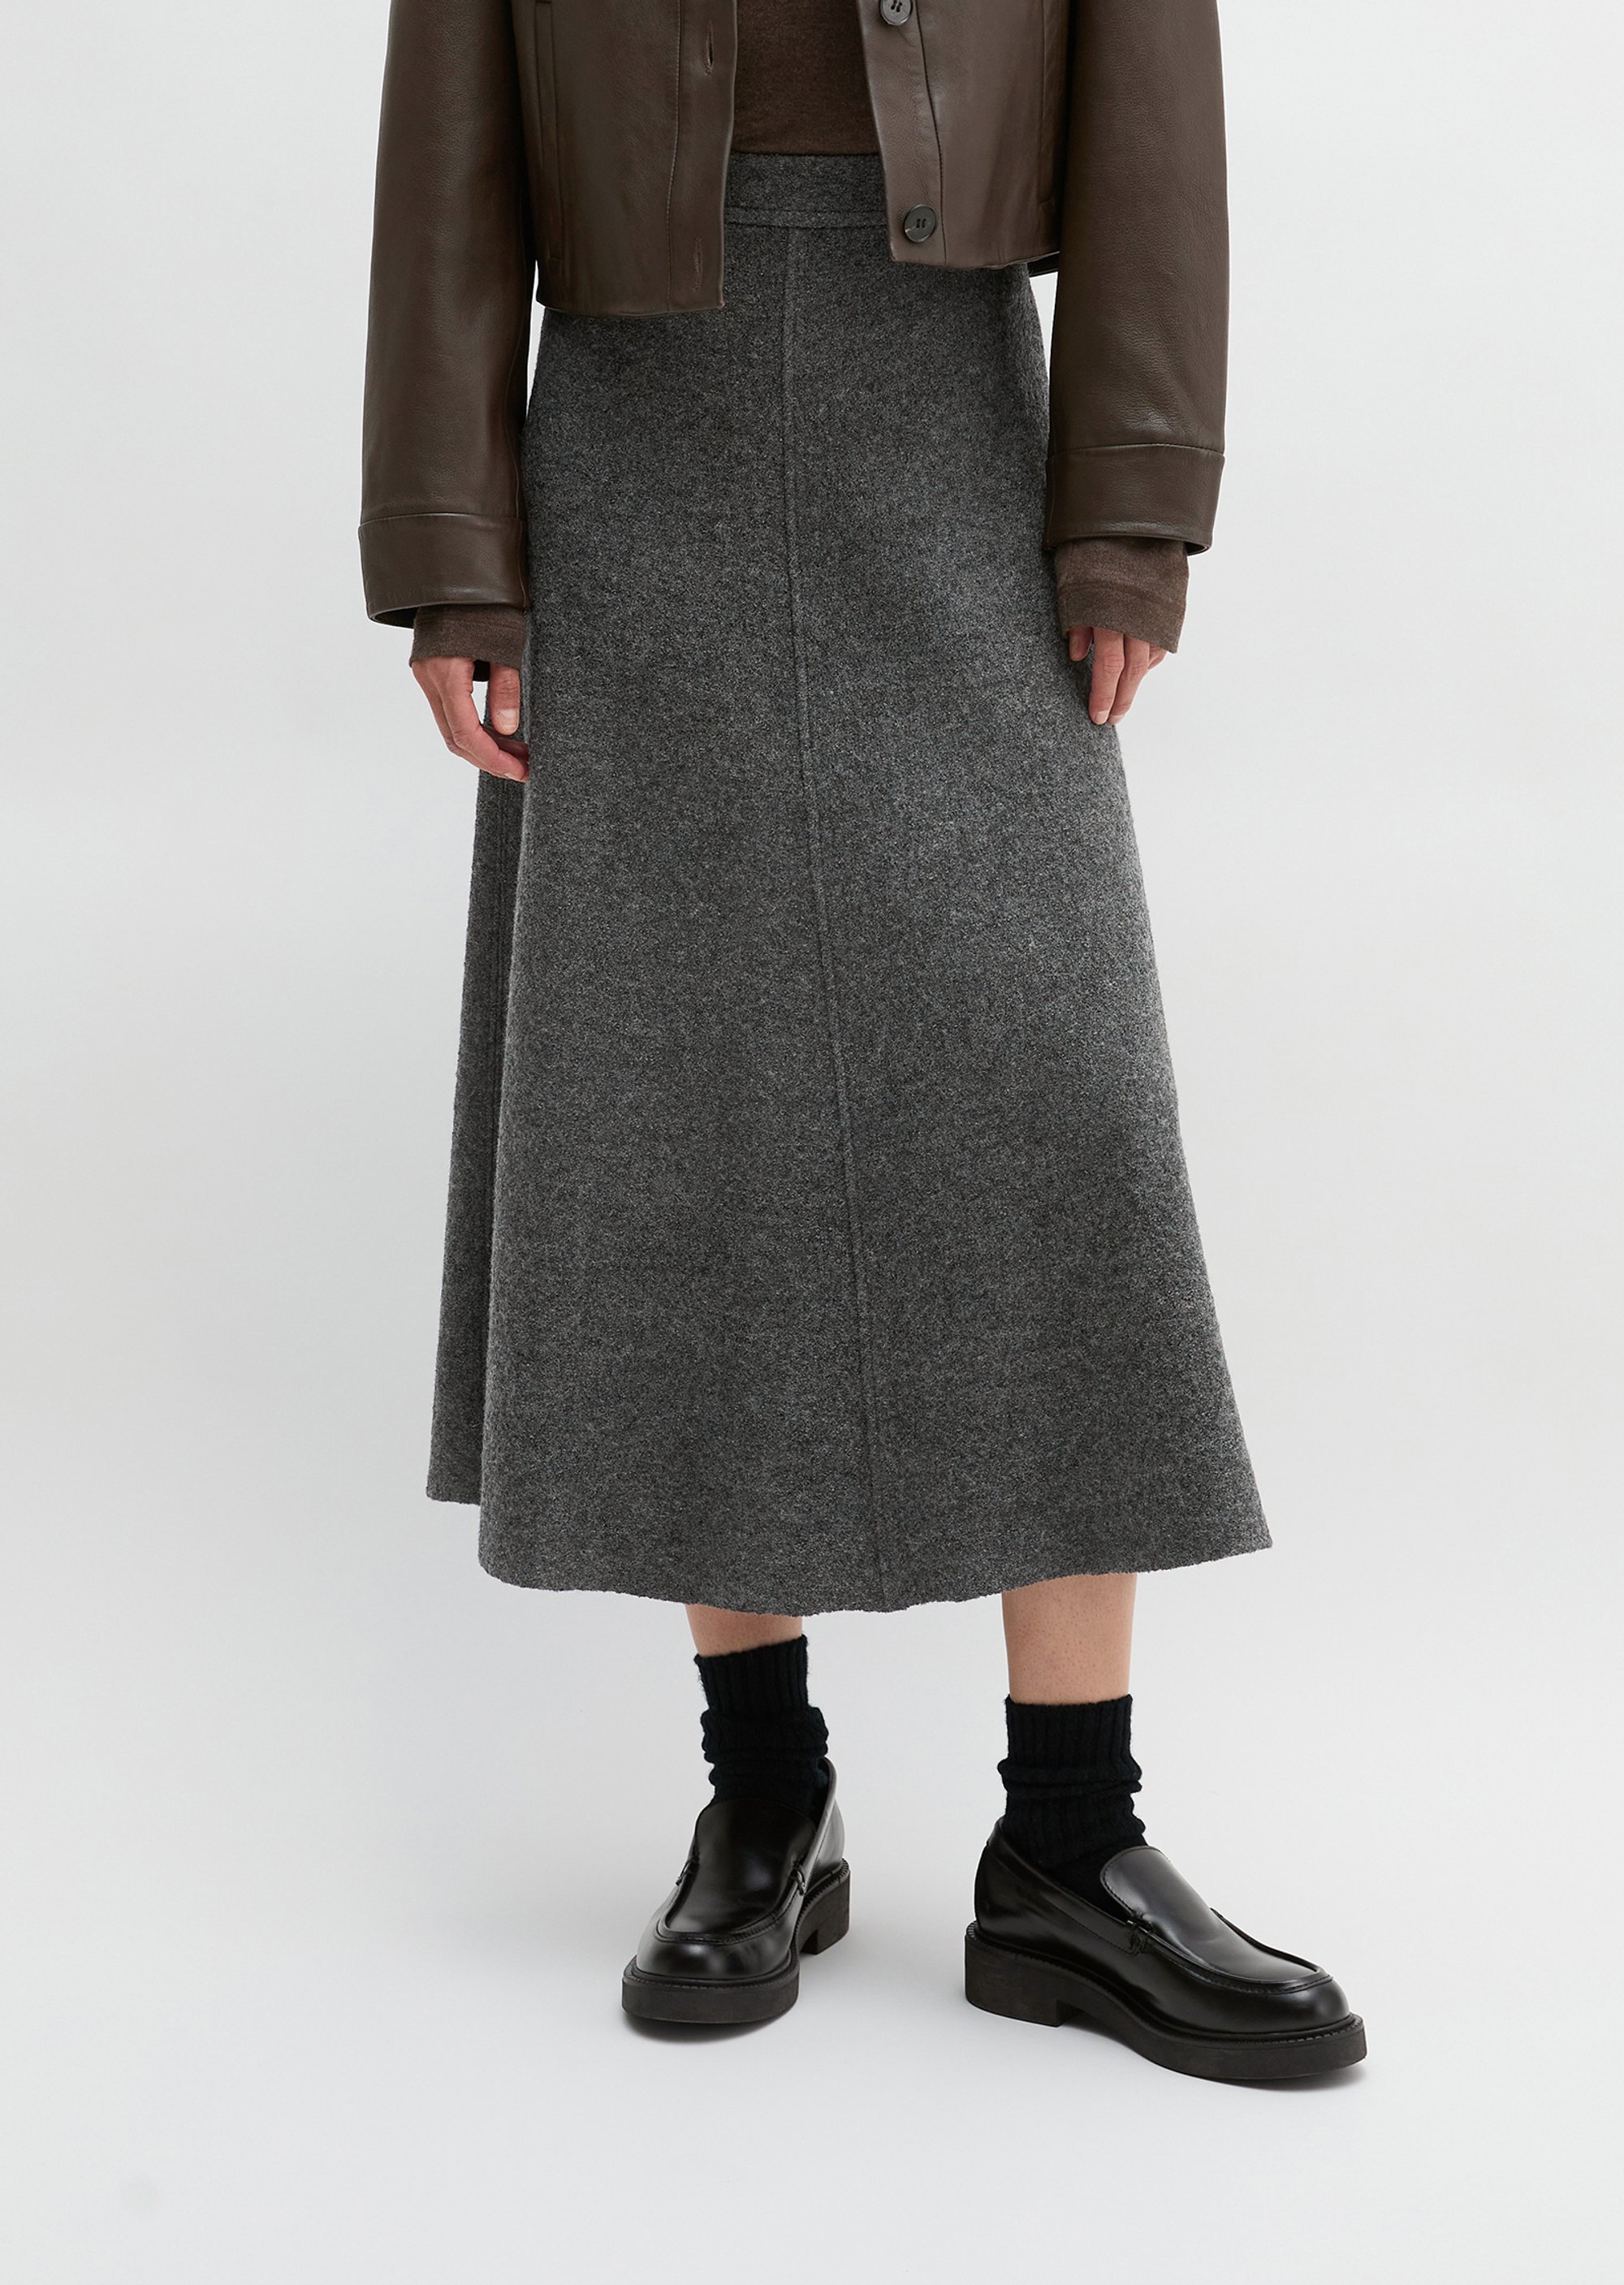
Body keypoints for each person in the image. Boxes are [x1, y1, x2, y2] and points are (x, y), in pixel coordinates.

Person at [361, 0, 1364, 2081]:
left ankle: (1070, 1843)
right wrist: (455, 557)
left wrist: (1131, 505)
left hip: (958, 417)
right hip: (631, 427)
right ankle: (766, 1796)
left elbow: (1148, 97)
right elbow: (448, 149)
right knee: (684, 1082)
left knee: (1053, 1110)